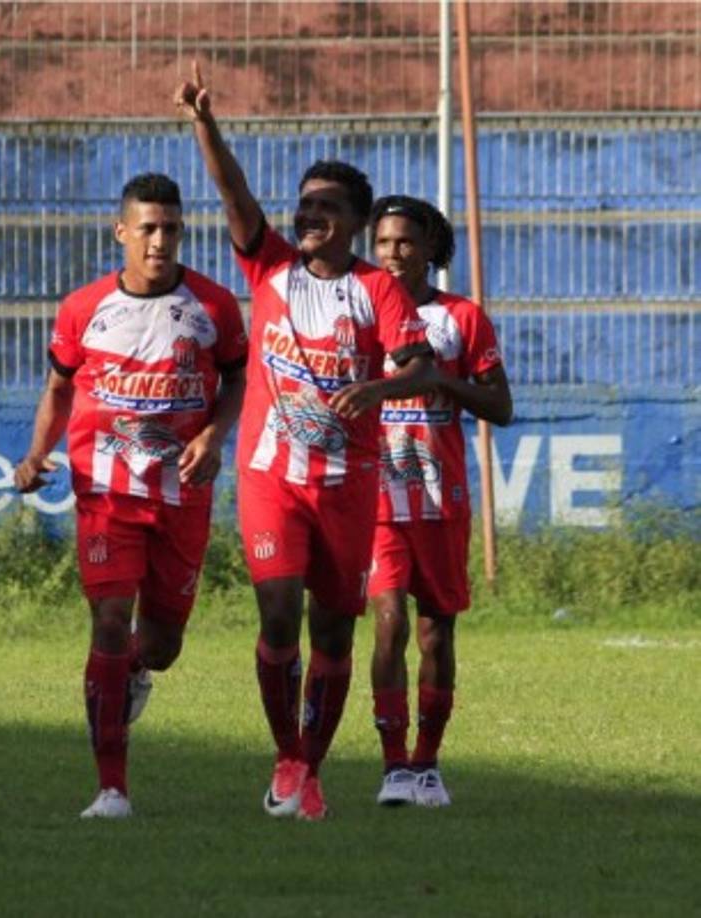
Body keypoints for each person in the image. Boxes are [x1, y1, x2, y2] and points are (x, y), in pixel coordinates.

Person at [174, 64, 434, 821]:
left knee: (331, 632)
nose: (308, 213)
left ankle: (311, 769)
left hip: (348, 485)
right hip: (271, 476)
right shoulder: (271, 264)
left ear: (354, 221)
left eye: (326, 206)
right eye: (305, 203)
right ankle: (287, 757)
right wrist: (204, 121)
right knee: (278, 614)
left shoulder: (376, 290)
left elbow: (419, 368)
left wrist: (378, 389)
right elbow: (232, 194)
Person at [14, 173, 247, 819]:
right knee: (110, 621)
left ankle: (133, 673)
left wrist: (215, 434)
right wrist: (37, 453)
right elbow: (59, 389)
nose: (160, 240)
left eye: (171, 228)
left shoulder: (214, 307)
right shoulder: (83, 309)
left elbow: (236, 381)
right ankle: (111, 788)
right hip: (106, 492)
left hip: (181, 495)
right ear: (122, 233)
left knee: (162, 645)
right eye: (147, 228)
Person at [368, 195, 513, 807]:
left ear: (431, 248)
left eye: (404, 243)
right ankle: (394, 765)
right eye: (382, 243)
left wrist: (440, 382)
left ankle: (428, 765)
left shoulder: (462, 318)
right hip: (376, 495)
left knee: (434, 634)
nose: (392, 255)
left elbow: (499, 407)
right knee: (388, 623)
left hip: (439, 496)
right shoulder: (359, 310)